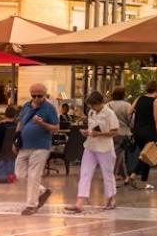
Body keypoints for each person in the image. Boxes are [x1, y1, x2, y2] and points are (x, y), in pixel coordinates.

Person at [68, 92, 119, 213]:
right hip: (91, 146)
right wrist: (87, 132)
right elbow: (92, 128)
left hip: (105, 147)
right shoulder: (91, 112)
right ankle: (80, 202)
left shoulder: (109, 114)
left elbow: (115, 131)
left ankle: (110, 199)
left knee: (107, 174)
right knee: (85, 172)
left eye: (93, 105)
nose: (92, 108)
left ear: (100, 103)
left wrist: (100, 134)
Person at [17, 85, 59, 215]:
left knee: (34, 175)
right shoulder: (26, 106)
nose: (36, 98)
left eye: (39, 96)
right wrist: (15, 140)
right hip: (24, 145)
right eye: (33, 95)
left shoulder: (49, 108)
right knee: (19, 174)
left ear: (45, 95)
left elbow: (56, 128)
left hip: (41, 146)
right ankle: (43, 191)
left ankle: (31, 205)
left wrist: (42, 124)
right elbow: (20, 123)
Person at [128, 82, 157, 190]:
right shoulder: (155, 101)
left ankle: (135, 176)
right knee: (147, 156)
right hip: (149, 132)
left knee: (144, 155)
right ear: (156, 90)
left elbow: (129, 111)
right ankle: (141, 180)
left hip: (138, 131)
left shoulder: (139, 98)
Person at [106, 87, 133, 179]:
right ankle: (112, 175)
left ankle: (125, 176)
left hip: (110, 133)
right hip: (123, 133)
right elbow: (132, 120)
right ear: (123, 95)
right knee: (119, 154)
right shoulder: (127, 105)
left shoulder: (107, 105)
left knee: (118, 153)